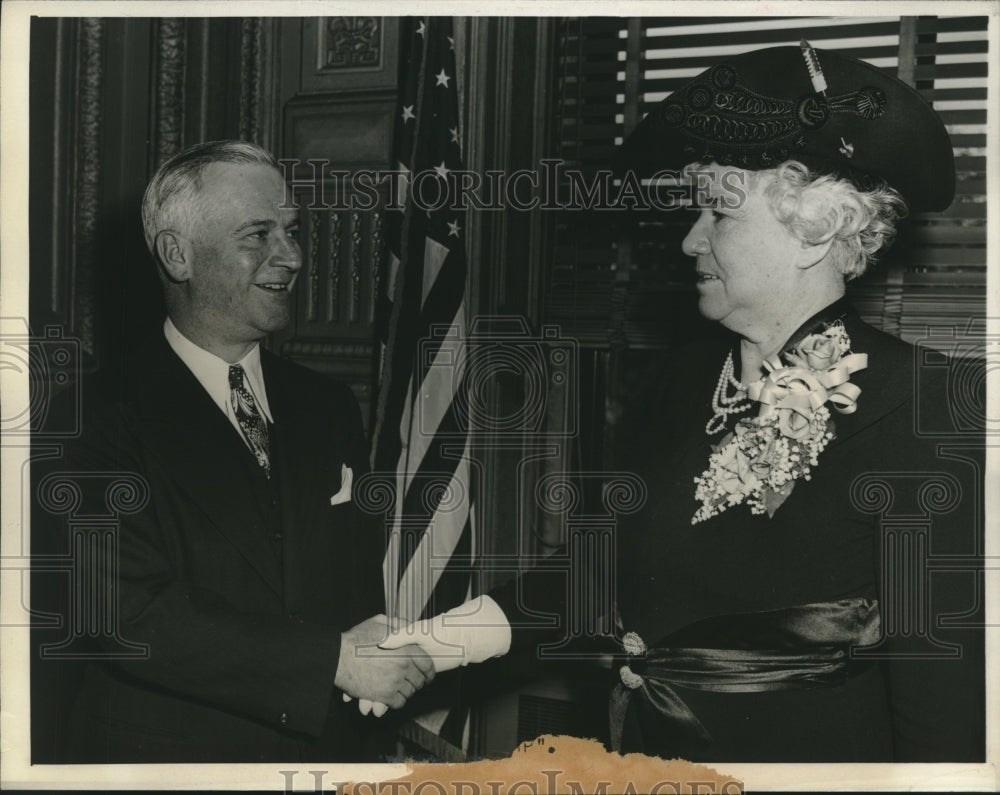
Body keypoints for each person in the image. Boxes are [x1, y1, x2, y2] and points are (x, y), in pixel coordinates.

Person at [383, 45, 985, 762]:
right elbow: (589, 572)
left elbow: (943, 703)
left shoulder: (925, 401)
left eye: (719, 214)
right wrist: (422, 644)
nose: (690, 237)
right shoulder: (674, 382)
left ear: (814, 232)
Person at [30, 140, 433, 763]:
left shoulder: (328, 404)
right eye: (259, 234)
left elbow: (353, 589)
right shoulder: (90, 419)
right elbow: (131, 615)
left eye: (293, 231)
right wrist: (334, 661)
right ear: (177, 254)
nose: (292, 256)